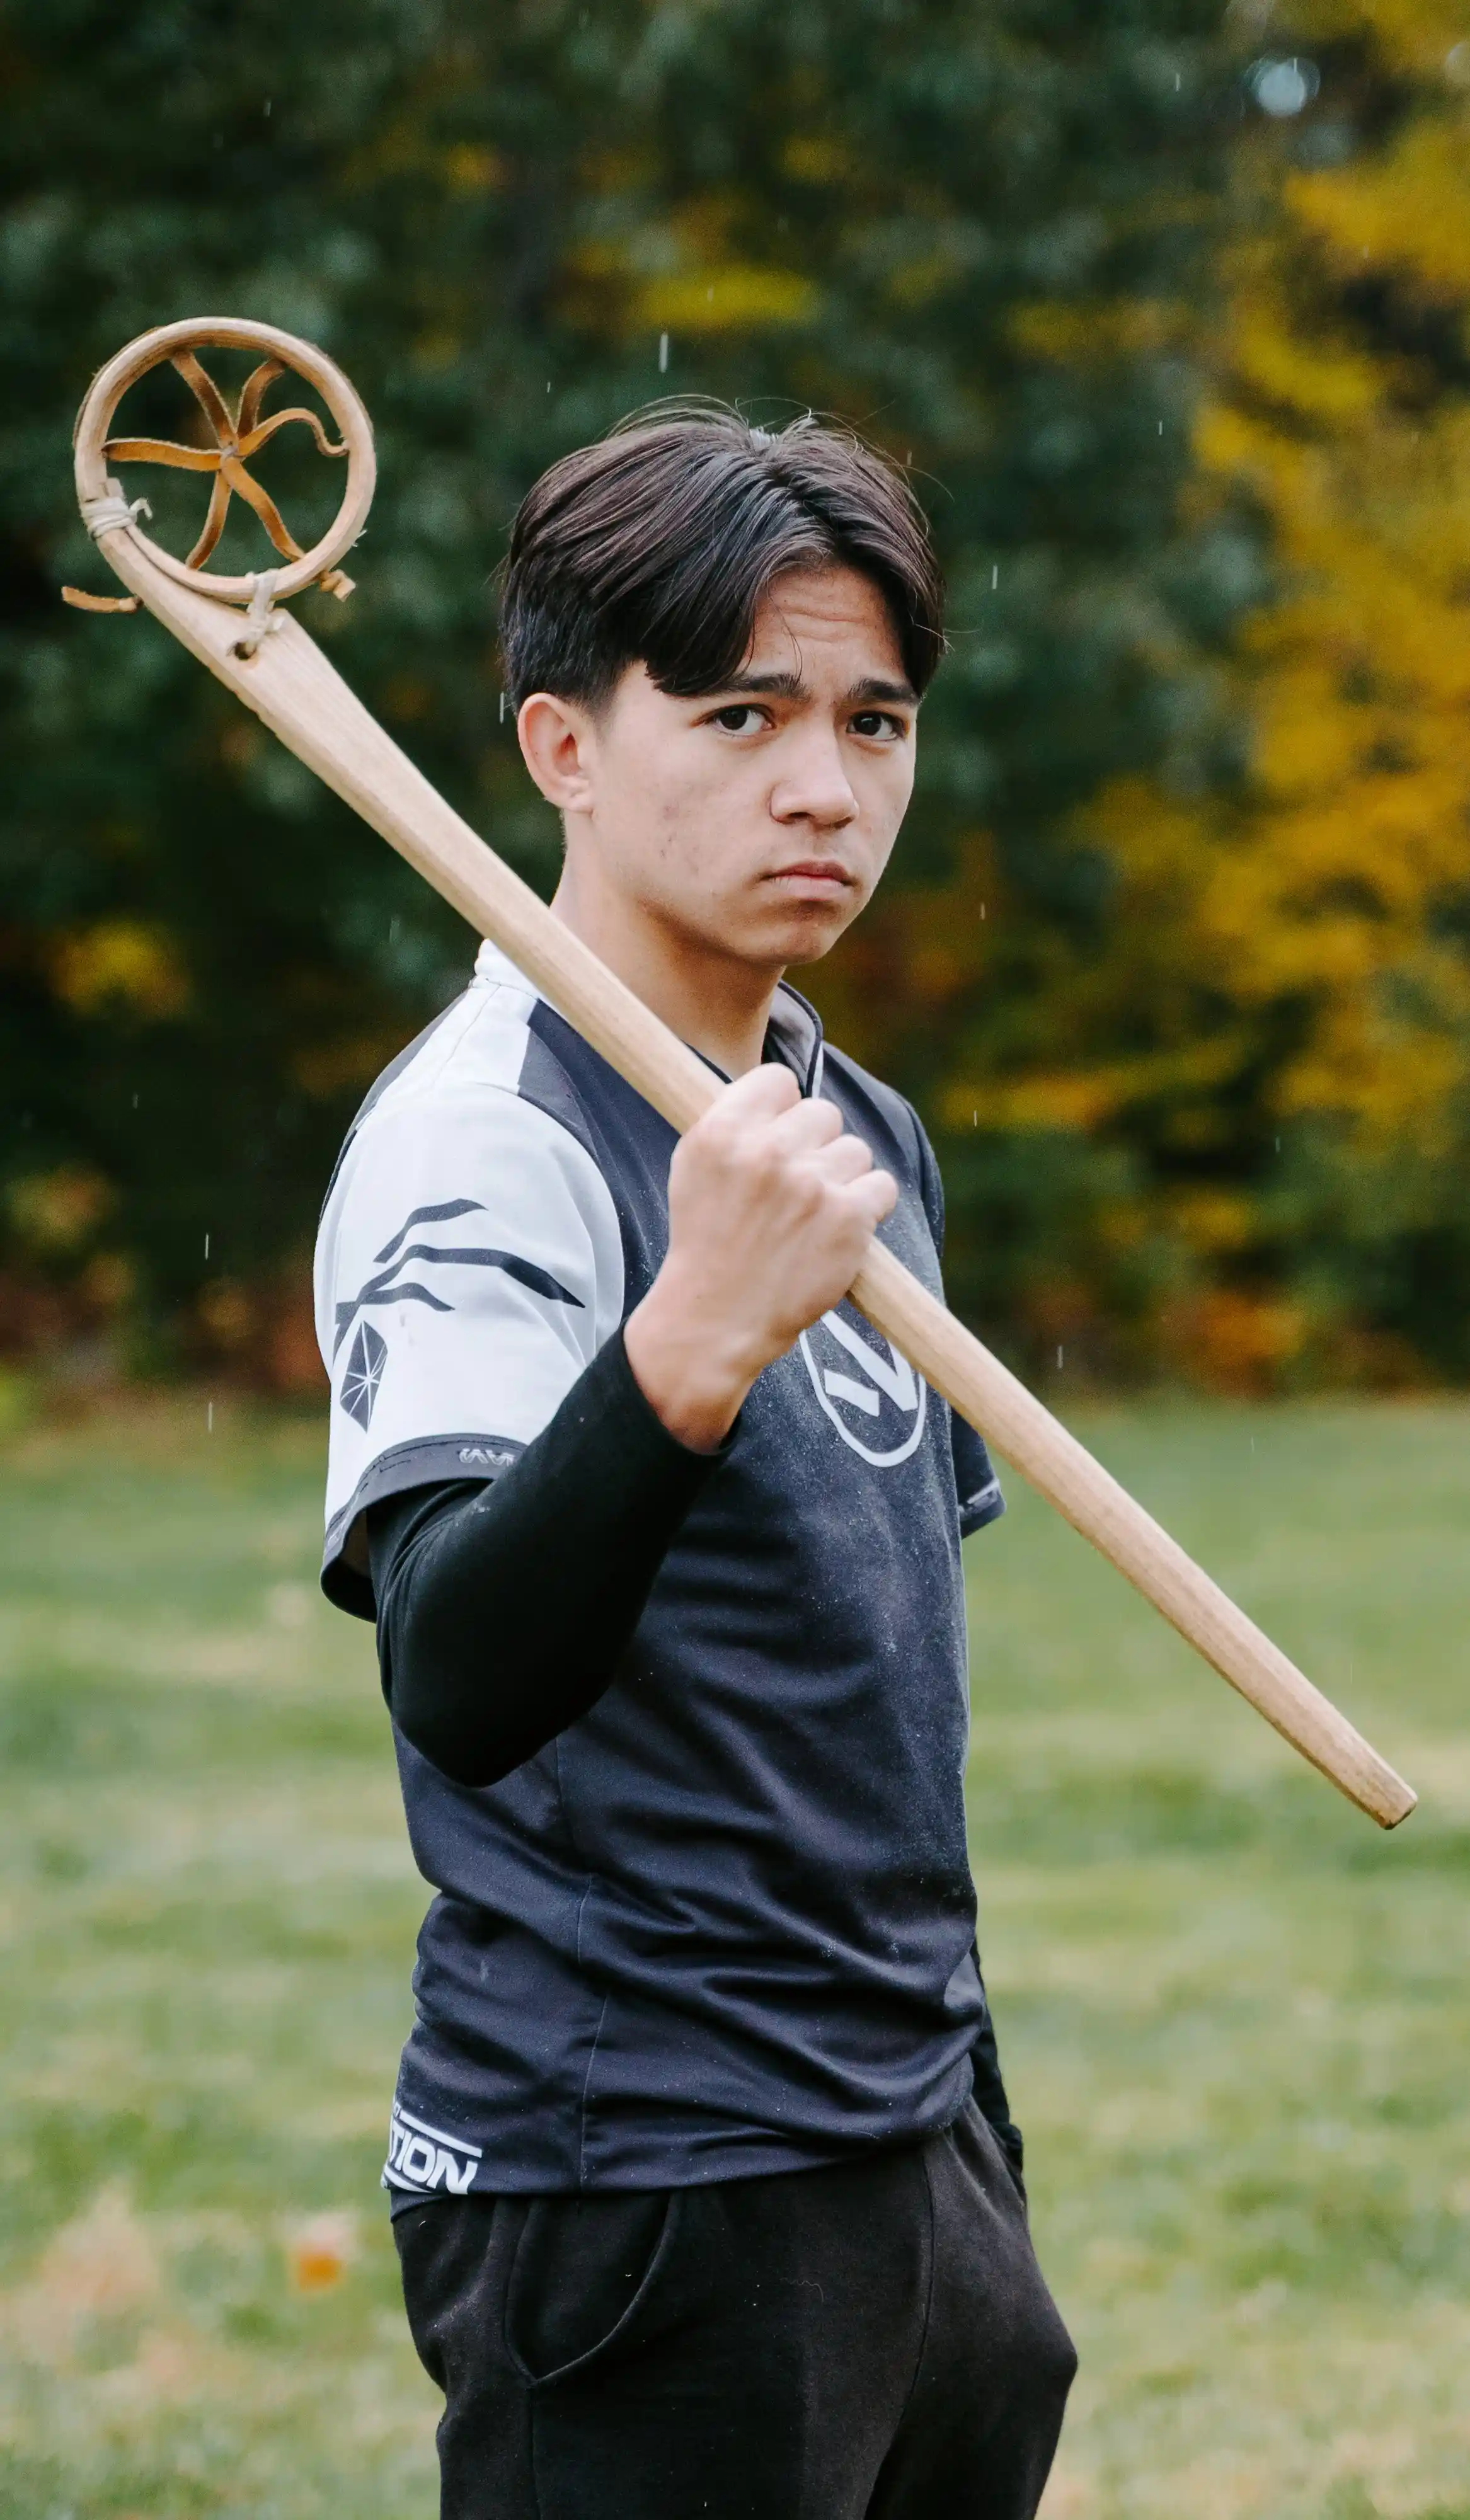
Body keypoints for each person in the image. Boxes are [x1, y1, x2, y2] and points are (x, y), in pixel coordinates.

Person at [314, 406, 1076, 2520]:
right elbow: (461, 1678)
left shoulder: (851, 1132)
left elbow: (855, 1702)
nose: (825, 787)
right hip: (632, 2180)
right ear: (561, 747)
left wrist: (964, 2137)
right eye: (739, 712)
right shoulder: (490, 1137)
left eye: (873, 718)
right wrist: (687, 1338)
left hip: (907, 2158)